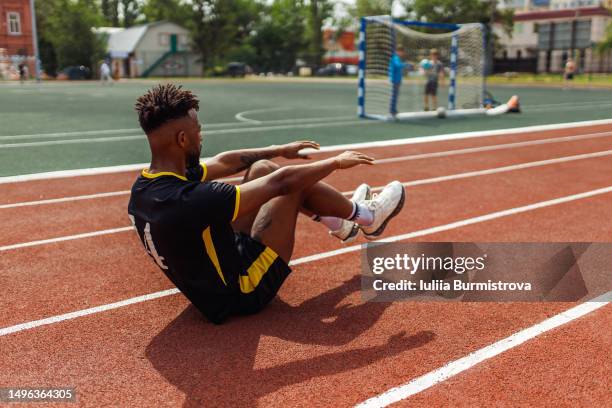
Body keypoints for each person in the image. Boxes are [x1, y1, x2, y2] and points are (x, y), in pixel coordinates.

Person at [128, 84, 406, 324]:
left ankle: (341, 223)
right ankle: (367, 216)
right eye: (198, 130)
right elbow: (281, 183)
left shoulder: (146, 187)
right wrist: (335, 162)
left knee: (262, 167)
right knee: (288, 186)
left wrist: (279, 150)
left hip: (213, 272)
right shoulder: (192, 199)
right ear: (182, 139)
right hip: (241, 290)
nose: (201, 136)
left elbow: (224, 162)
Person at [388, 47, 408, 118]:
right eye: (401, 52)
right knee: (394, 95)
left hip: (398, 79)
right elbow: (398, 65)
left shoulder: (397, 58)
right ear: (398, 51)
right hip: (395, 80)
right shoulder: (396, 58)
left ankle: (393, 109)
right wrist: (406, 65)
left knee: (395, 95)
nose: (402, 53)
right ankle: (392, 110)